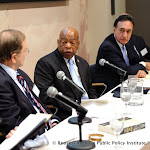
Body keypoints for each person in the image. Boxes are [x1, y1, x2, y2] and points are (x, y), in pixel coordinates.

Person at [0, 29, 60, 143]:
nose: (26, 54)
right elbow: (14, 124)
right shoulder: (2, 84)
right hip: (30, 140)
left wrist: (53, 120)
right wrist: (47, 127)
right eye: (24, 50)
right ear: (14, 57)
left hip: (46, 128)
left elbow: (39, 104)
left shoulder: (20, 74)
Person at [34, 27, 98, 121]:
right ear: (58, 42)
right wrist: (75, 107)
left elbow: (89, 88)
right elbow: (46, 95)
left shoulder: (83, 63)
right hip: (67, 114)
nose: (68, 46)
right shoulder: (45, 64)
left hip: (90, 110)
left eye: (72, 43)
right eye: (64, 42)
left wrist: (96, 103)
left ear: (78, 44)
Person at [95, 14, 150, 91]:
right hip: (110, 89)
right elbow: (125, 71)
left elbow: (136, 62)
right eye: (121, 30)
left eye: (128, 31)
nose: (125, 35)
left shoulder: (127, 42)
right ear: (114, 30)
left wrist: (141, 70)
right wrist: (144, 65)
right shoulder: (108, 47)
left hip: (126, 85)